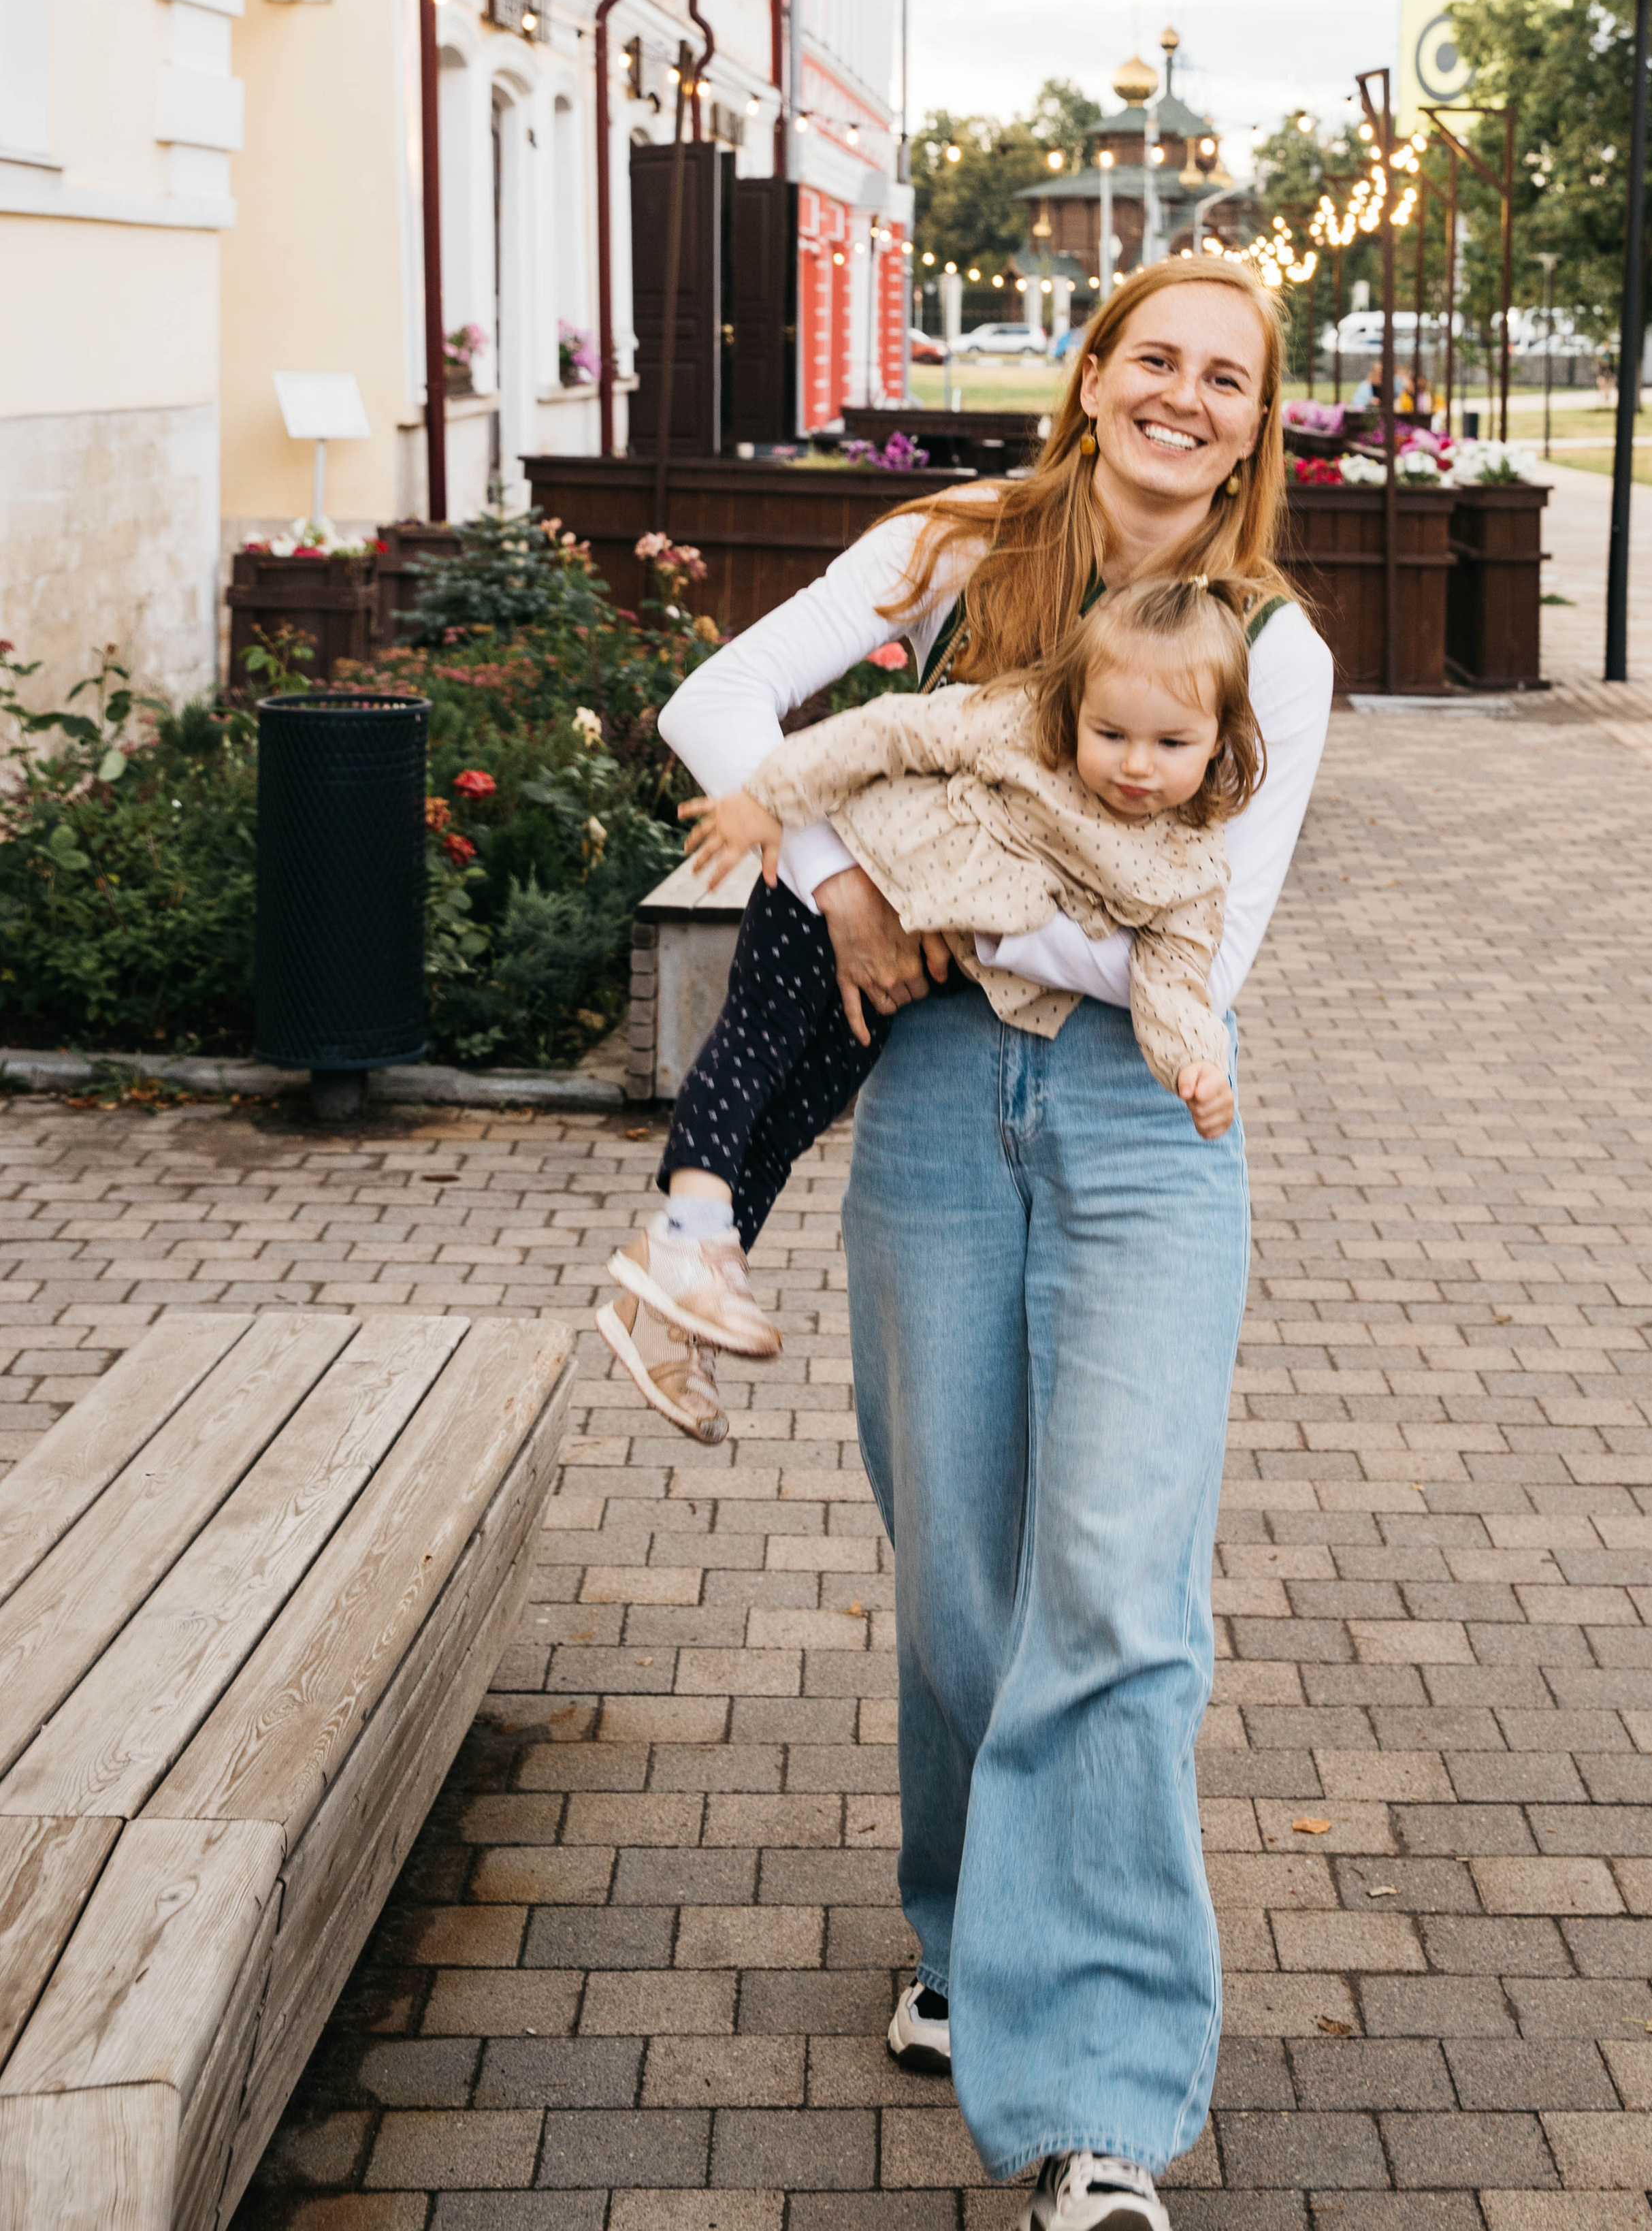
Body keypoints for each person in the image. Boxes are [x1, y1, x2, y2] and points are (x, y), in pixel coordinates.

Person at [652, 255, 1333, 2231]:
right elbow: (717, 707)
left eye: (1226, 376)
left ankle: (1100, 2102)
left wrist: (928, 889)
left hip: (1141, 1128)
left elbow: (1193, 955)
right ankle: (970, 1937)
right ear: (1093, 374)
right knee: (957, 1576)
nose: (1183, 396)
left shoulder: (1271, 650)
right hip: (940, 1106)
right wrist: (835, 874)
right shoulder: (950, 544)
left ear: (1254, 421)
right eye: (1154, 358)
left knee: (1114, 1602)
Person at [606, 577, 1265, 1436]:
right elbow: (886, 730)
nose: (1136, 765)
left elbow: (1175, 975)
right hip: (846, 876)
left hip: (912, 956)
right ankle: (685, 1230)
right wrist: (768, 798)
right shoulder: (1022, 724)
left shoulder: (1187, 864)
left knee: (797, 1112)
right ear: (1076, 708)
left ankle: (672, 1312)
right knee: (756, 1051)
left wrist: (1195, 1063)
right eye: (1110, 735)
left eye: (1170, 743)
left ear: (1220, 741)